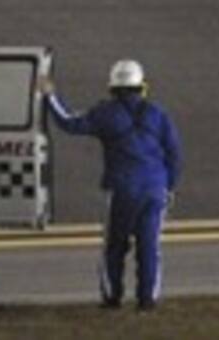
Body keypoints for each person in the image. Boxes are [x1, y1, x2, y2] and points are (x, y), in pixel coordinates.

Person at [42, 59, 182, 312]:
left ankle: (112, 297)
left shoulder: (106, 113)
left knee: (115, 246)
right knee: (149, 247)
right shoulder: (158, 114)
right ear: (141, 86)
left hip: (123, 188)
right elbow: (174, 154)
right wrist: (169, 186)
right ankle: (147, 300)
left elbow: (68, 123)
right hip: (155, 188)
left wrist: (49, 96)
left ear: (113, 87)